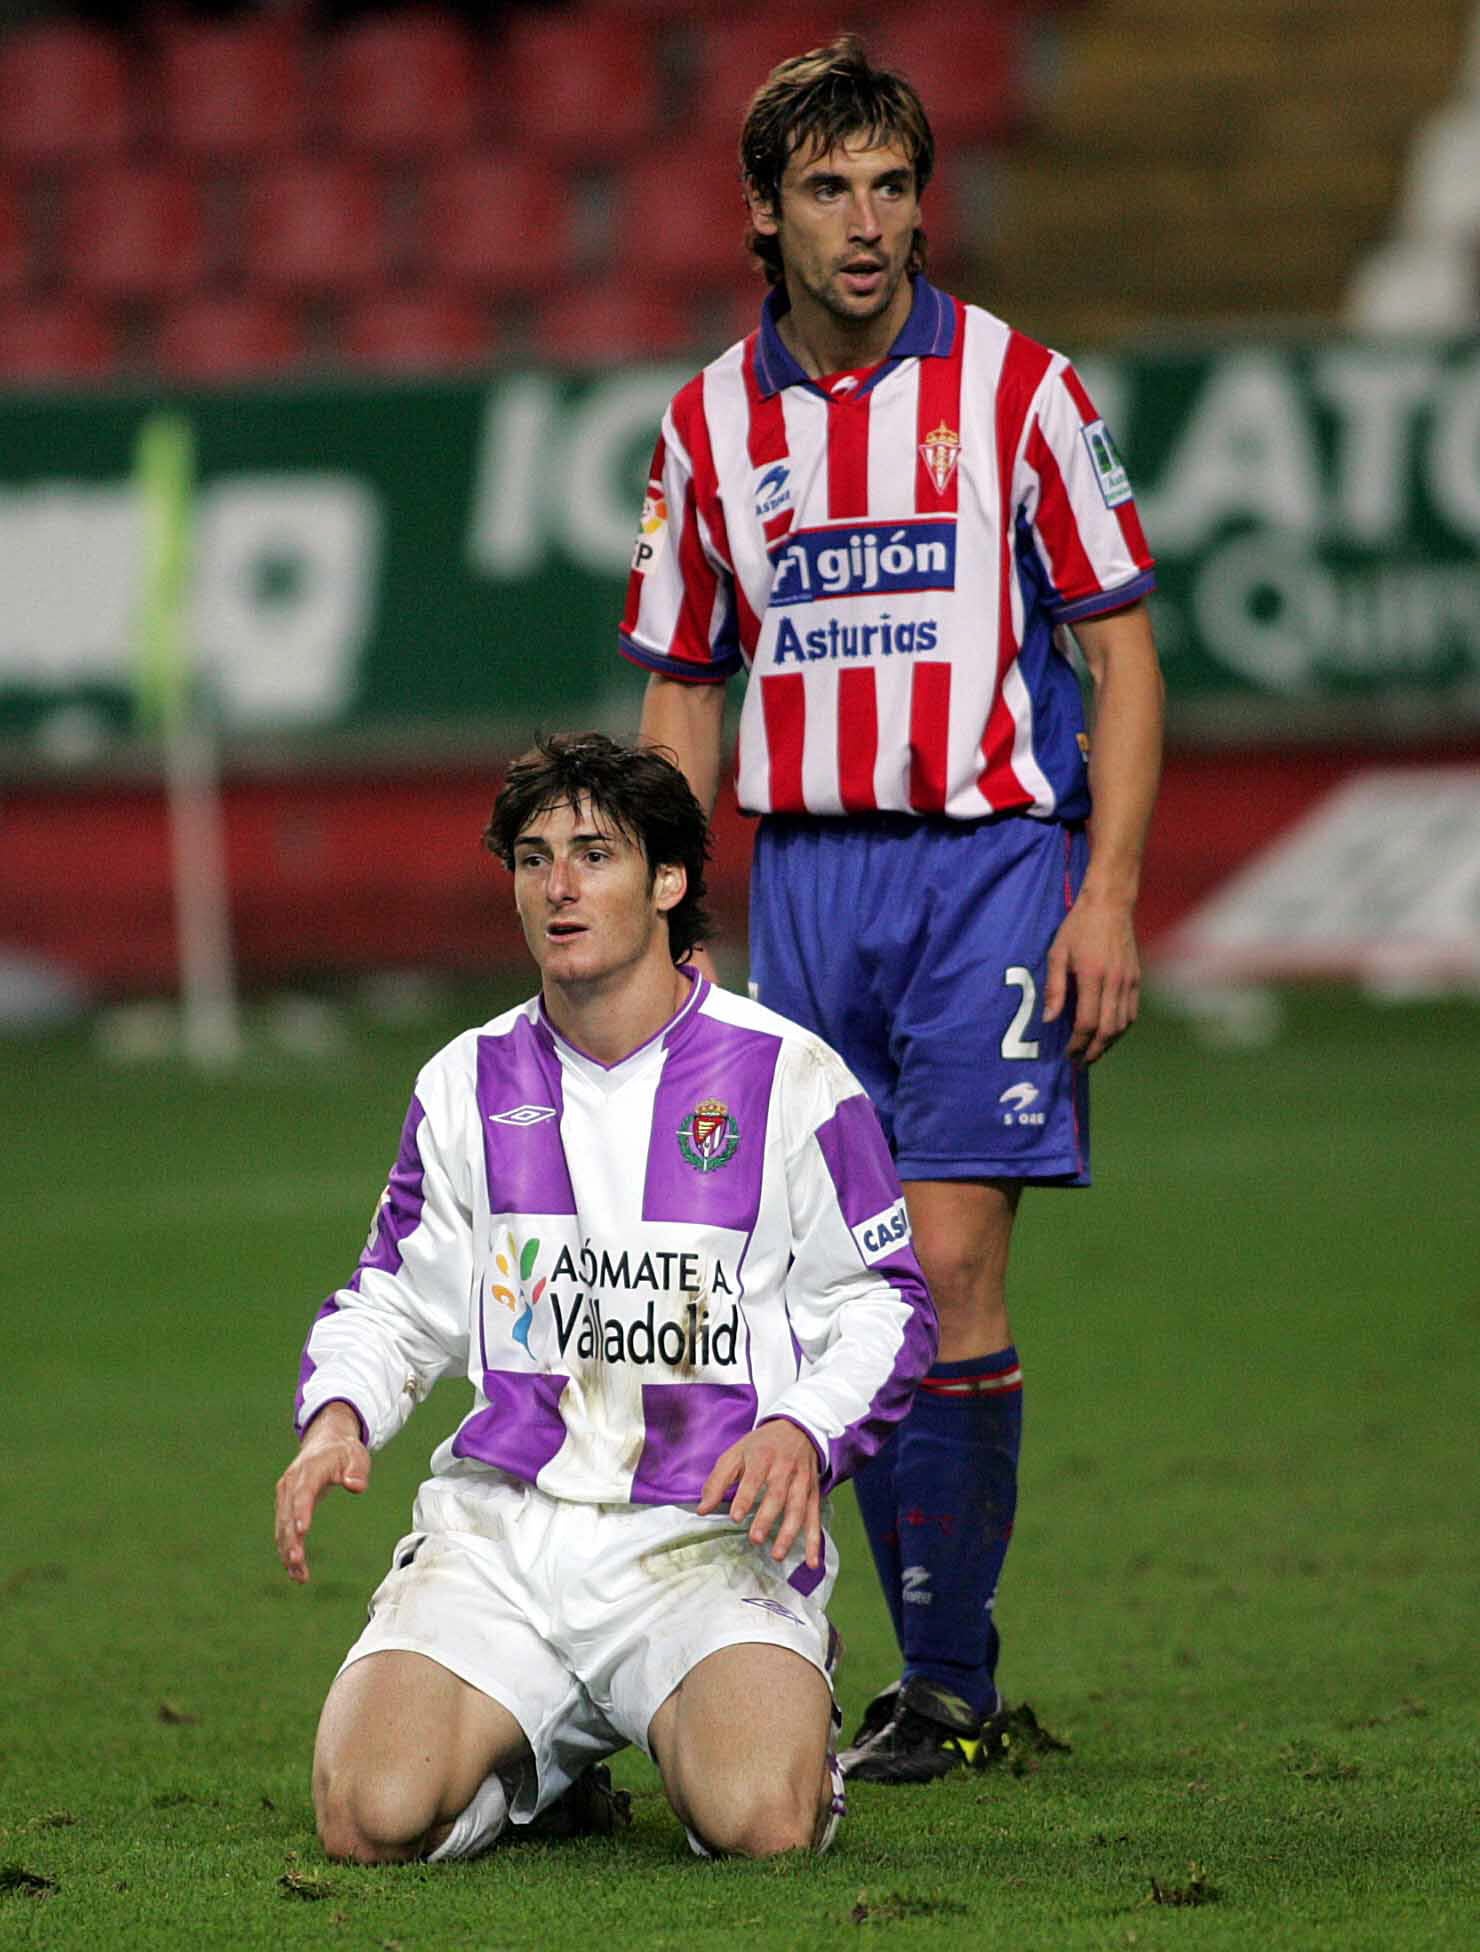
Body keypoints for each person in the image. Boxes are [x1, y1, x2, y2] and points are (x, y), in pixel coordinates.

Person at [619, 38, 1165, 1783]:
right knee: (811, 1278)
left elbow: (1125, 653)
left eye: (895, 186)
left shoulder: (1021, 390)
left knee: (943, 1260)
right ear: (766, 215)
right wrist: (657, 904)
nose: (872, 224)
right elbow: (687, 689)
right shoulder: (709, 423)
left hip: (991, 867)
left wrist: (1111, 892)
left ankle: (945, 1677)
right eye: (832, 191)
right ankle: (816, 1645)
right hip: (813, 879)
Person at [274, 732, 937, 1862]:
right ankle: (542, 1771)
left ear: (668, 881)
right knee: (364, 1816)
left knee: (759, 1824)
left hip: (705, 1540)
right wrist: (339, 1413)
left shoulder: (790, 1077)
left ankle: (760, 1699)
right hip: (507, 1536)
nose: (558, 886)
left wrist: (802, 1426)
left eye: (593, 854)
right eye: (533, 859)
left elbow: (886, 1303)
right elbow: (392, 1296)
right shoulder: (466, 1081)